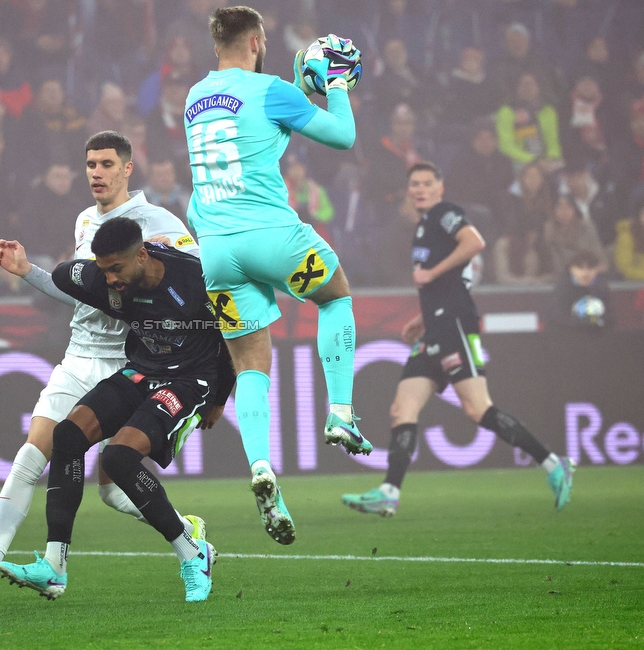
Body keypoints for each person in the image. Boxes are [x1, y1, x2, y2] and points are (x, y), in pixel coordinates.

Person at [0, 131, 205, 605]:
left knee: (111, 483)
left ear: (128, 169)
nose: (96, 173)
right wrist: (29, 273)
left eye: (106, 164)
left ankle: (186, 532)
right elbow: (84, 291)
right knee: (32, 453)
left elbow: (192, 279)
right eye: (89, 165)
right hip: (77, 355)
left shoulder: (158, 223)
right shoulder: (85, 221)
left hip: (129, 363)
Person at [184, 7, 370, 546]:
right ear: (257, 40)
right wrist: (332, 85)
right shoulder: (268, 89)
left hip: (216, 250)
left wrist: (293, 85)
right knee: (337, 298)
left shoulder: (196, 98)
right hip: (273, 241)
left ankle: (263, 467)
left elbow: (261, 139)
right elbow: (342, 138)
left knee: (249, 364)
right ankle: (340, 412)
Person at [0, 217, 233, 603]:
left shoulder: (196, 278)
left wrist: (220, 398)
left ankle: (192, 552)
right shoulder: (103, 277)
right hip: (141, 372)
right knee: (67, 436)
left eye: (116, 269)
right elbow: (62, 276)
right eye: (103, 270)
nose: (110, 281)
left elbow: (231, 338)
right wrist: (27, 269)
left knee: (120, 458)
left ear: (142, 255)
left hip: (189, 382)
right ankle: (54, 567)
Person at [342, 162, 575, 516]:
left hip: (455, 326)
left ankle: (553, 463)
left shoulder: (444, 213)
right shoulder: (423, 226)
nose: (420, 189)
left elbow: (475, 242)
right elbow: (448, 283)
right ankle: (389, 492)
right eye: (414, 184)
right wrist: (421, 318)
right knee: (401, 409)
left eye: (427, 183)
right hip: (435, 327)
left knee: (477, 409)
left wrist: (432, 272)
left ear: (440, 187)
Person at [549, 248, 611, 330]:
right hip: (566, 339)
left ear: (597, 269)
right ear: (571, 269)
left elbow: (610, 320)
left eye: (590, 268)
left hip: (596, 339)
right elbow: (557, 320)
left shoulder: (602, 289)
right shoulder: (562, 289)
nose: (585, 273)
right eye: (580, 268)